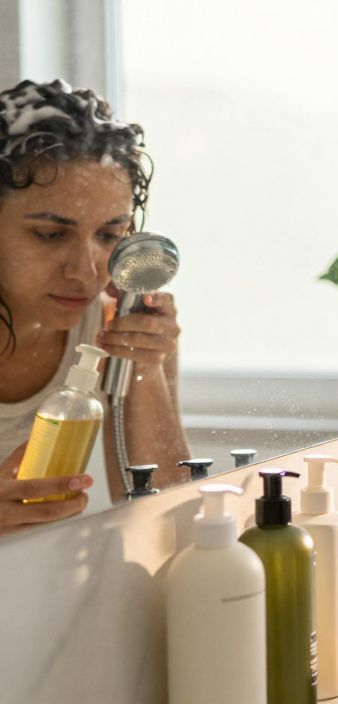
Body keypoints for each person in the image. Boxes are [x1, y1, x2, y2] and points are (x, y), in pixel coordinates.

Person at [0, 79, 190, 530]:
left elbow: (164, 515)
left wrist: (146, 368)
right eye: (50, 234)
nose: (87, 272)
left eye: (109, 235)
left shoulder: (113, 320)